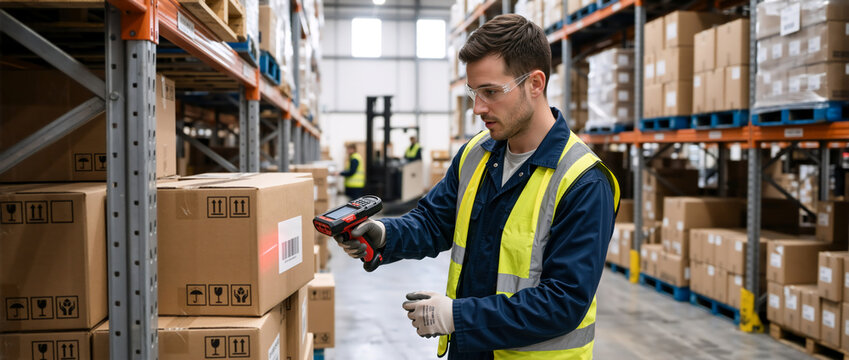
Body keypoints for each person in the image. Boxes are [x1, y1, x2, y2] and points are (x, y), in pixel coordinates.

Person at [334, 14, 619, 359]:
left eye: (491, 92)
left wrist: (456, 316)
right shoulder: (476, 154)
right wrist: (382, 234)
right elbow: (433, 221)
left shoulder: (583, 181)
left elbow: (563, 302)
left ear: (536, 83)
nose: (477, 108)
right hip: (471, 350)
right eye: (474, 91)